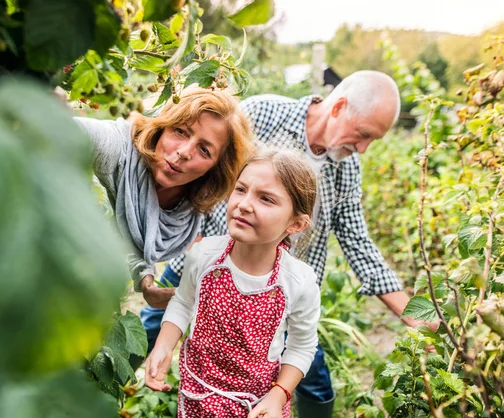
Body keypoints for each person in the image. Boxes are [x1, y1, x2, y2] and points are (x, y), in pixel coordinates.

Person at [142, 70, 427, 417]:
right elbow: (205, 169)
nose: (363, 148)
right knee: (148, 332)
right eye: (364, 134)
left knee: (313, 382)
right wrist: (195, 239)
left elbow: (356, 239)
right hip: (205, 262)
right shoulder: (262, 114)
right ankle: (101, 387)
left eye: (372, 142)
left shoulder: (346, 168)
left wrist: (411, 313)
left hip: (279, 296)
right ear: (339, 107)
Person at [144, 148, 321, 418]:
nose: (245, 204)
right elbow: (183, 302)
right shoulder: (204, 256)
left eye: (266, 199)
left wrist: (278, 396)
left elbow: (301, 346)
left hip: (257, 405)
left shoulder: (298, 281)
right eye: (241, 189)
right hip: (198, 394)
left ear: (295, 223)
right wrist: (164, 345)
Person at [74, 88, 253, 307]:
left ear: (216, 167)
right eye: (180, 131)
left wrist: (147, 284)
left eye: (204, 150)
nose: (185, 152)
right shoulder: (120, 148)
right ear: (162, 126)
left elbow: (136, 224)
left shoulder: (187, 205)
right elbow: (75, 132)